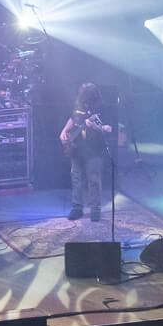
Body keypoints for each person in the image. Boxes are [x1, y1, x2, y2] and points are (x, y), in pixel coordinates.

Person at [61, 83, 113, 222]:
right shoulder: (79, 106)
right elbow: (73, 118)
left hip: (94, 149)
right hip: (77, 148)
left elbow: (109, 128)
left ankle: (95, 210)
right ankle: (77, 208)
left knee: (94, 180)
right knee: (76, 179)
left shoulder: (102, 108)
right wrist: (64, 131)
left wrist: (96, 127)